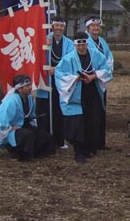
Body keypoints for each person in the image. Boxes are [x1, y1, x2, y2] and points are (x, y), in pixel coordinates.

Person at [55, 32, 113, 163]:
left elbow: (106, 70)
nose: (81, 47)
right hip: (75, 94)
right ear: (75, 45)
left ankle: (89, 148)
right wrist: (76, 78)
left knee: (92, 121)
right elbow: (60, 75)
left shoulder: (96, 54)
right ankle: (78, 151)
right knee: (77, 123)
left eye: (84, 44)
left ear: (87, 43)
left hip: (92, 92)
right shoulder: (68, 58)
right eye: (78, 45)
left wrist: (93, 76)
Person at [0, 75, 55, 161]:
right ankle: (16, 152)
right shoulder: (11, 101)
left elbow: (31, 115)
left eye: (30, 85)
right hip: (12, 129)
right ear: (19, 89)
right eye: (27, 86)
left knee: (45, 136)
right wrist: (10, 127)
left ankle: (35, 153)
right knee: (27, 135)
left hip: (24, 126)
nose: (30, 88)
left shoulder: (30, 98)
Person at [36, 16, 74, 148]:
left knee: (59, 110)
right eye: (56, 25)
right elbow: (37, 55)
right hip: (45, 80)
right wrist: (45, 46)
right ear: (52, 26)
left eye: (61, 26)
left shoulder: (69, 43)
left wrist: (56, 69)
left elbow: (70, 60)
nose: (58, 28)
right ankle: (43, 140)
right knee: (43, 109)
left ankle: (59, 140)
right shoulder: (45, 39)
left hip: (60, 80)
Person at [85, 15, 113, 150]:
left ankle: (100, 142)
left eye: (97, 25)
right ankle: (90, 142)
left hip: (100, 80)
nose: (95, 28)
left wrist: (102, 73)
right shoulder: (84, 41)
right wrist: (92, 74)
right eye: (93, 26)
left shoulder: (102, 41)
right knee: (90, 112)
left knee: (101, 111)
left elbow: (109, 59)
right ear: (88, 28)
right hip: (88, 81)